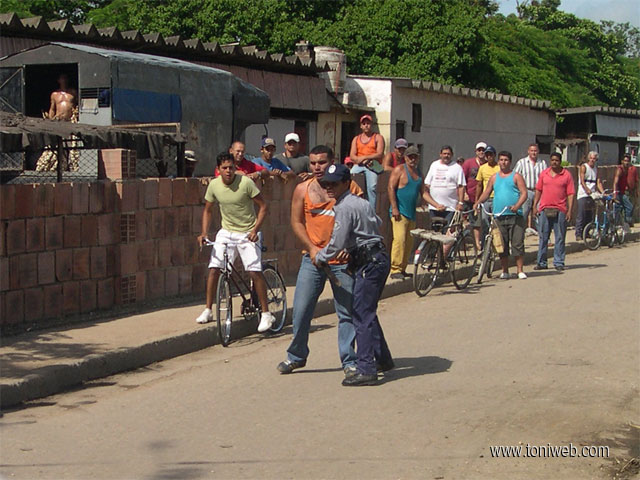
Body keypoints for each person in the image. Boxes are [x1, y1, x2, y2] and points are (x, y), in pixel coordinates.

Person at [277, 145, 362, 377]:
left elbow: (361, 219)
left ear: (332, 162)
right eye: (313, 163)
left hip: (342, 261)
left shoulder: (350, 188)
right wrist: (312, 248)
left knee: (346, 313)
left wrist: (348, 248)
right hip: (313, 260)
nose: (317, 167)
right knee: (301, 310)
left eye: (322, 162)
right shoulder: (303, 189)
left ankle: (349, 361)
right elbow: (296, 222)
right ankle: (296, 356)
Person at [312, 164, 394, 386]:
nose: (329, 188)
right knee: (367, 311)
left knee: (361, 314)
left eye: (334, 184)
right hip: (377, 258)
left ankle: (366, 368)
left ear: (346, 183)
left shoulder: (344, 207)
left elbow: (337, 242)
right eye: (326, 184)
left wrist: (321, 256)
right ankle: (383, 359)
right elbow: (377, 223)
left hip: (368, 262)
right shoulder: (361, 202)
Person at [195, 152, 275, 332]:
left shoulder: (245, 183)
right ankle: (208, 310)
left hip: (248, 232)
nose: (228, 171)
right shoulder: (214, 185)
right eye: (224, 168)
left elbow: (263, 206)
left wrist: (255, 230)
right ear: (218, 169)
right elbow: (208, 210)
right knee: (214, 269)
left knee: (253, 271)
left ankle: (266, 314)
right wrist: (204, 233)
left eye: (231, 167)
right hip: (227, 232)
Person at [474, 151, 528, 279]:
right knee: (501, 245)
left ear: (510, 162)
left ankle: (520, 270)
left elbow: (524, 193)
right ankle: (505, 270)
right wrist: (477, 202)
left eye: (506, 160)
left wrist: (517, 206)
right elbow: (486, 192)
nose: (503, 162)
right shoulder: (494, 178)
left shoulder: (516, 176)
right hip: (499, 215)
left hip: (515, 215)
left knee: (517, 243)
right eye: (501, 160)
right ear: (498, 162)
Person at [533, 152, 576, 271]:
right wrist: (535, 206)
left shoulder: (566, 175)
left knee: (560, 237)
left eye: (556, 160)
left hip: (560, 209)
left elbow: (571, 194)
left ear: (560, 161)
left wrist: (569, 210)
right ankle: (541, 262)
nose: (554, 162)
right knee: (543, 237)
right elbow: (538, 190)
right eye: (552, 160)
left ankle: (559, 262)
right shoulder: (544, 174)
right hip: (544, 208)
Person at [388, 145, 423, 279]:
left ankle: (402, 268)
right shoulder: (399, 170)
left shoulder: (419, 174)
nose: (412, 159)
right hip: (399, 212)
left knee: (408, 242)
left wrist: (436, 204)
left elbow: (424, 192)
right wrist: (394, 207)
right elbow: (391, 187)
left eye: (415, 157)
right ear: (405, 158)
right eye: (410, 157)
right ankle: (395, 269)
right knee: (399, 240)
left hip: (411, 213)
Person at [422, 145, 466, 228]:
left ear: (452, 155)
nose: (446, 156)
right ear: (440, 154)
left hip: (450, 208)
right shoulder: (434, 165)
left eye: (448, 154)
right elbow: (426, 185)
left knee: (447, 232)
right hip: (434, 207)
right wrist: (432, 203)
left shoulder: (457, 168)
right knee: (434, 232)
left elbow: (461, 187)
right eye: (444, 153)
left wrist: (460, 203)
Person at [349, 114, 385, 210]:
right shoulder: (356, 139)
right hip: (359, 165)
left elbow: (380, 154)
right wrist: (359, 160)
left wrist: (365, 158)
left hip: (372, 165)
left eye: (368, 123)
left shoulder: (378, 137)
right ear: (361, 126)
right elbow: (352, 155)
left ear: (371, 125)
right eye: (364, 124)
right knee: (350, 180)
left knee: (372, 187)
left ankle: (371, 210)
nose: (366, 125)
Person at [514, 143, 548, 236]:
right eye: (532, 151)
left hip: (539, 192)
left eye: (535, 151)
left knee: (540, 214)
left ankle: (543, 237)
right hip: (526, 191)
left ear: (538, 151)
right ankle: (519, 236)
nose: (534, 153)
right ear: (528, 151)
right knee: (523, 214)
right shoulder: (521, 163)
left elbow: (546, 177)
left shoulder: (543, 163)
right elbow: (515, 176)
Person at [462, 141, 487, 249]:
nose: (481, 152)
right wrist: (464, 193)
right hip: (468, 197)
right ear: (476, 151)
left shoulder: (487, 165)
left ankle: (478, 243)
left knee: (477, 222)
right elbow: (462, 179)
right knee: (463, 220)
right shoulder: (468, 163)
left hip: (481, 198)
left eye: (483, 150)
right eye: (479, 150)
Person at [575, 151, 604, 240]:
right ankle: (578, 233)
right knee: (581, 214)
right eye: (591, 158)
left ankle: (586, 232)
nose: (592, 160)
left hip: (592, 194)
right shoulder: (584, 167)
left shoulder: (596, 169)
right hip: (583, 194)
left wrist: (602, 192)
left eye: (594, 159)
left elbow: (598, 182)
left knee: (589, 214)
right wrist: (587, 189)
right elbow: (582, 181)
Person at [475, 145, 499, 232]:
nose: (489, 157)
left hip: (497, 198)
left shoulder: (499, 167)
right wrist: (477, 201)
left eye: (491, 155)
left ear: (494, 155)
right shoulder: (482, 168)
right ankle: (486, 239)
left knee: (496, 221)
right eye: (487, 155)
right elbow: (479, 185)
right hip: (486, 199)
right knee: (484, 220)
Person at [613, 153, 637, 226]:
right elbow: (615, 182)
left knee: (620, 209)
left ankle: (623, 224)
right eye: (625, 161)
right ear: (622, 161)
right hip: (618, 193)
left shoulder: (627, 169)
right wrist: (615, 193)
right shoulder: (620, 170)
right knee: (628, 207)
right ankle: (625, 223)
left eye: (628, 161)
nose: (626, 163)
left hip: (623, 192)